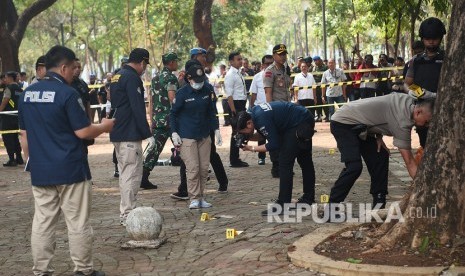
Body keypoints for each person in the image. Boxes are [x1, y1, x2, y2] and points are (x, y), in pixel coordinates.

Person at [19, 45, 113, 276]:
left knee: (43, 222)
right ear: (63, 67)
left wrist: (30, 160)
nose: (75, 72)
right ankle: (83, 270)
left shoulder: (27, 94)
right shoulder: (68, 94)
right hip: (70, 169)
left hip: (41, 170)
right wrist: (105, 127)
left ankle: (41, 270)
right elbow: (83, 132)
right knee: (77, 221)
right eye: (72, 68)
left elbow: (24, 136)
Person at [328, 93, 435, 208]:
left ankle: (379, 202)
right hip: (343, 123)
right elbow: (409, 162)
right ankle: (332, 206)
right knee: (354, 167)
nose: (428, 125)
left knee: (380, 155)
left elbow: (380, 112)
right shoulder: (402, 121)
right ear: (418, 112)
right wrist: (426, 189)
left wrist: (378, 135)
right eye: (427, 121)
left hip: (362, 125)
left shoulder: (410, 101)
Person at [235, 102, 316, 216]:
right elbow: (267, 134)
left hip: (298, 123)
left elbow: (274, 144)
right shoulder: (254, 113)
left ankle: (283, 205)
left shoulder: (261, 119)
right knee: (305, 161)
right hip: (303, 117)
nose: (245, 134)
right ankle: (308, 198)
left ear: (249, 123)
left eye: (244, 132)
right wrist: (249, 137)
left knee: (284, 163)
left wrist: (251, 148)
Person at [170, 60, 228, 200]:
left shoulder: (207, 90)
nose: (200, 83)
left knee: (203, 170)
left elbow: (211, 112)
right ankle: (194, 198)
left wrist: (216, 130)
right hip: (187, 136)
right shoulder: (182, 93)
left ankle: (200, 197)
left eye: (201, 80)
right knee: (193, 169)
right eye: (196, 80)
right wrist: (174, 132)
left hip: (204, 135)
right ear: (188, 79)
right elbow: (173, 114)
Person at [110, 48, 153, 225]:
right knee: (131, 174)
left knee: (124, 173)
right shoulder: (132, 77)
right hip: (129, 132)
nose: (144, 70)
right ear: (142, 62)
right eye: (145, 65)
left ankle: (127, 210)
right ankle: (127, 213)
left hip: (118, 130)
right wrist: (147, 133)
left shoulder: (117, 75)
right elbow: (137, 107)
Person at [405, 17, 446, 149]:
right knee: (425, 145)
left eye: (435, 38)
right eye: (428, 38)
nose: (431, 42)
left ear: (440, 38)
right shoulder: (416, 60)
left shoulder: (448, 58)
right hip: (423, 112)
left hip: (444, 109)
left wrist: (436, 95)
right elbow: (408, 83)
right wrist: (411, 91)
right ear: (423, 39)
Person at [141, 52, 180, 189]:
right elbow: (172, 98)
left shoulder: (155, 78)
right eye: (176, 61)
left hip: (159, 120)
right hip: (172, 120)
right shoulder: (171, 78)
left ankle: (144, 176)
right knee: (185, 148)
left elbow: (151, 101)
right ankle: (193, 175)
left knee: (155, 149)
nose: (177, 63)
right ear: (171, 63)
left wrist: (152, 119)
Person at [263, 44, 292, 178]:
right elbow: (268, 93)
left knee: (287, 139)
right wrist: (270, 111)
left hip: (287, 108)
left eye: (284, 54)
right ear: (274, 55)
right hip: (275, 109)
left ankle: (285, 166)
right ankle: (276, 167)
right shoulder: (270, 71)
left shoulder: (286, 69)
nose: (283, 56)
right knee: (275, 139)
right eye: (280, 54)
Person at [224, 51, 249, 167]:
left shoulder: (238, 73)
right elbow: (229, 95)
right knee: (236, 132)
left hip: (241, 104)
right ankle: (234, 160)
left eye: (241, 59)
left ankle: (236, 158)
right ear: (231, 61)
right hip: (235, 105)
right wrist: (234, 111)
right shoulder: (230, 75)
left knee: (239, 132)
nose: (241, 61)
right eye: (238, 59)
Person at [250, 55, 274, 165]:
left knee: (275, 133)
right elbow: (253, 94)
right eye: (267, 63)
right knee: (261, 133)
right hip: (260, 110)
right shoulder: (257, 77)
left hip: (274, 109)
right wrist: (251, 109)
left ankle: (276, 156)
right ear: (262, 65)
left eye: (271, 63)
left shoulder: (276, 75)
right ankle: (261, 157)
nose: (269, 65)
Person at [0, 71, 23, 166]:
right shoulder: (20, 89)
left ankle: (11, 160)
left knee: (8, 138)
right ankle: (19, 158)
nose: (5, 79)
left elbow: (5, 101)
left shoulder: (8, 89)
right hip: (17, 117)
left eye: (5, 77)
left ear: (10, 78)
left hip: (7, 117)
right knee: (15, 138)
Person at [312, 56, 329, 122]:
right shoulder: (314, 68)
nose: (316, 62)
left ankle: (327, 116)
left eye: (317, 60)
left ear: (320, 60)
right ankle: (319, 116)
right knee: (318, 102)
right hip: (317, 88)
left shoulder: (325, 67)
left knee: (324, 101)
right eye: (315, 61)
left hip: (324, 87)